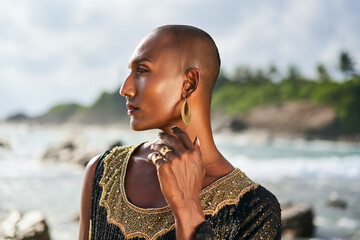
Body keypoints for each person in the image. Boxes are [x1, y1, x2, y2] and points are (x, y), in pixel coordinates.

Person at [78, 25, 281, 240]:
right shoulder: (102, 173)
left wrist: (187, 206)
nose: (125, 88)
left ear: (189, 84)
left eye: (142, 70)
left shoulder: (255, 210)